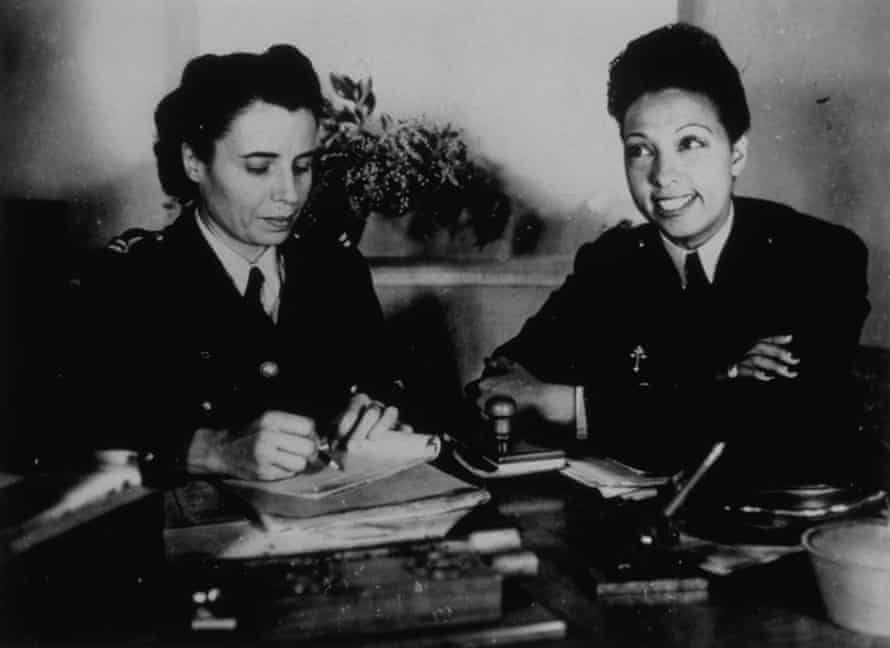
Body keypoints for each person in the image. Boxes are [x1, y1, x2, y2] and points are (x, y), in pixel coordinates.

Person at [469, 23, 873, 488]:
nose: (663, 175)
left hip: (783, 529)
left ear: (736, 154)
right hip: (636, 523)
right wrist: (722, 379)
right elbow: (509, 376)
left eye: (690, 143)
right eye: (640, 150)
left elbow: (773, 426)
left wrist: (569, 403)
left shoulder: (817, 256)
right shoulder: (613, 262)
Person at [70, 45, 404, 483]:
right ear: (194, 161)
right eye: (259, 167)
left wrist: (376, 413)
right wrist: (205, 450)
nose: (288, 193)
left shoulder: (337, 271)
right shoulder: (125, 282)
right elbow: (58, 436)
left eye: (303, 167)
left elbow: (386, 386)